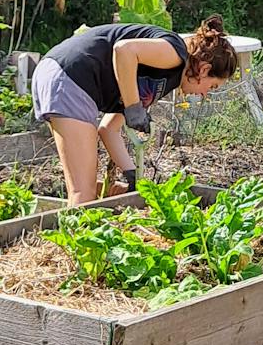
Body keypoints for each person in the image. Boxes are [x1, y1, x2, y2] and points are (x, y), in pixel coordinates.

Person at [31, 16, 241, 205]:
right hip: (71, 76)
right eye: (211, 86)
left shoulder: (162, 81)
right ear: (204, 70)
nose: (205, 95)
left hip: (65, 78)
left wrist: (132, 175)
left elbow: (108, 129)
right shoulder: (177, 52)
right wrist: (133, 107)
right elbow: (124, 50)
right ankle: (76, 245)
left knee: (84, 189)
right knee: (83, 195)